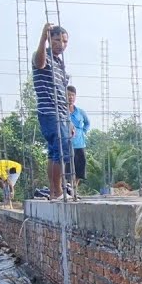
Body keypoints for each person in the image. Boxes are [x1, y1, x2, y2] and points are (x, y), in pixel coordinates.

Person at [33, 22, 73, 199]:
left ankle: (53, 191)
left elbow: (63, 95)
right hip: (49, 112)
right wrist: (43, 37)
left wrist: (69, 120)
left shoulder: (60, 64)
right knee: (62, 151)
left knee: (54, 152)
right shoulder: (43, 55)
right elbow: (39, 63)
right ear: (50, 40)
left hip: (61, 114)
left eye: (64, 41)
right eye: (57, 40)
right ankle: (58, 191)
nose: (61, 44)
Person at [67, 85, 90, 191]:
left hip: (80, 144)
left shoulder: (80, 112)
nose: (70, 97)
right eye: (68, 95)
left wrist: (83, 132)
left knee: (80, 168)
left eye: (72, 95)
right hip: (67, 145)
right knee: (67, 168)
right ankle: (68, 188)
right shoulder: (62, 112)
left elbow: (87, 123)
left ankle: (74, 187)